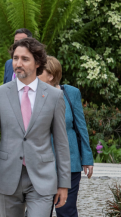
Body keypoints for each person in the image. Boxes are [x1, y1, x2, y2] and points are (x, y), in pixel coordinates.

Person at [0, 38, 71, 217]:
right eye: (15, 58)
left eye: (24, 59)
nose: (18, 63)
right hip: (7, 175)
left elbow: (61, 142)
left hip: (42, 176)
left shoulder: (54, 96)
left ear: (37, 63)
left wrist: (63, 183)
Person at [38, 56, 94, 217]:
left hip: (69, 162)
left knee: (66, 210)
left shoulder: (71, 93)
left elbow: (80, 126)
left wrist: (87, 158)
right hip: (41, 163)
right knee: (39, 211)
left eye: (39, 71)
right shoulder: (32, 94)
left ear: (51, 75)